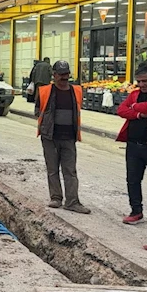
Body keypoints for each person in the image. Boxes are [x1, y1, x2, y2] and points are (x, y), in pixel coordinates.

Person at [34, 60, 91, 214]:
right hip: (50, 136)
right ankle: (56, 198)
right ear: (54, 75)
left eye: (66, 74)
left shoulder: (76, 90)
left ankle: (72, 201)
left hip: (69, 137)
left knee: (70, 170)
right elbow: (37, 110)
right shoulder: (45, 91)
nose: (64, 77)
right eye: (61, 74)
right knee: (52, 169)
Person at [116, 62, 147, 225]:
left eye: (145, 81)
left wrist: (134, 107)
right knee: (133, 180)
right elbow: (121, 110)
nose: (141, 84)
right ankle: (136, 211)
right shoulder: (134, 94)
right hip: (133, 144)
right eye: (139, 81)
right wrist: (139, 114)